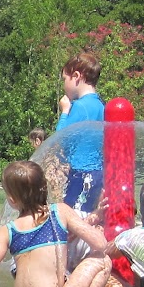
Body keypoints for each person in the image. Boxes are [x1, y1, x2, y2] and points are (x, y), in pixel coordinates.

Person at [55, 52, 106, 212]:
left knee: (71, 218)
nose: (64, 85)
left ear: (76, 76)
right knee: (87, 215)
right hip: (97, 173)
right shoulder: (100, 106)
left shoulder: (79, 106)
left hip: (80, 174)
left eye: (65, 79)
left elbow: (60, 138)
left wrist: (64, 111)